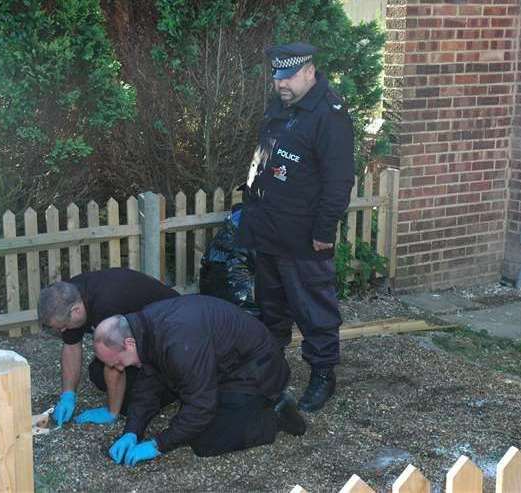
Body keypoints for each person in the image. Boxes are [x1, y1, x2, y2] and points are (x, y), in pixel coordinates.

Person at [236, 42, 355, 412]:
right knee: (271, 310)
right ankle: (271, 373)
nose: (280, 84)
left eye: (287, 77)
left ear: (308, 71)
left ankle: (322, 376)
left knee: (314, 311)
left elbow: (338, 181)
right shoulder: (282, 107)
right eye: (276, 77)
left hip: (305, 238)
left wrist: (324, 232)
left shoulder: (329, 115)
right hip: (269, 230)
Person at [95, 295, 306, 467]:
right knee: (184, 410)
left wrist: (158, 444)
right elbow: (149, 381)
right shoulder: (144, 326)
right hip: (224, 364)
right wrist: (132, 430)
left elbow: (201, 406)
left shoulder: (178, 343)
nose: (119, 369)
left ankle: (276, 415)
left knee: (205, 440)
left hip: (258, 371)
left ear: (129, 343)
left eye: (118, 362)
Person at [38, 268, 179, 426]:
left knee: (130, 402)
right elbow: (71, 346)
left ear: (76, 311)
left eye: (63, 326)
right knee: (97, 373)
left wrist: (111, 411)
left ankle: (173, 389)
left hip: (173, 337)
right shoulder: (67, 296)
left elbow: (114, 358)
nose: (63, 331)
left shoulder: (107, 305)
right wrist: (67, 394)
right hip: (138, 337)